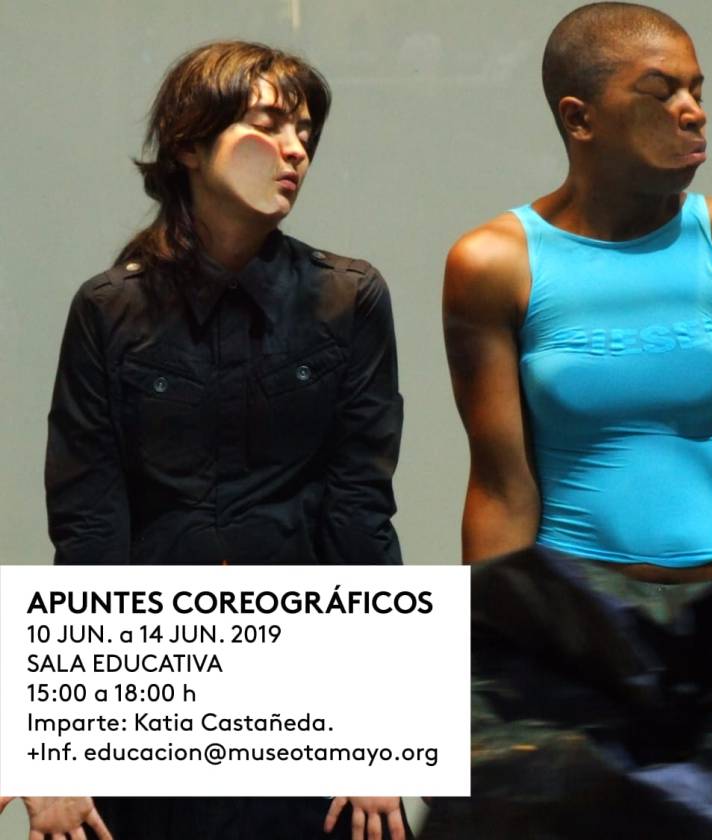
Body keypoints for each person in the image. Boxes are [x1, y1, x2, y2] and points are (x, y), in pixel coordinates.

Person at [32, 40, 406, 840]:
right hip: (154, 687)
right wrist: (60, 744)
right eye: (268, 124)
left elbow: (361, 518)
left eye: (306, 132)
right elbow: (89, 528)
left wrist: (380, 731)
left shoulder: (348, 298)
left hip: (308, 687)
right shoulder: (110, 310)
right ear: (190, 145)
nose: (296, 149)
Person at [444, 2, 712, 598]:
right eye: (660, 93)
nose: (694, 112)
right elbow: (500, 490)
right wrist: (490, 637)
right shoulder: (493, 263)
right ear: (579, 118)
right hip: (577, 616)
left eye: (695, 91)